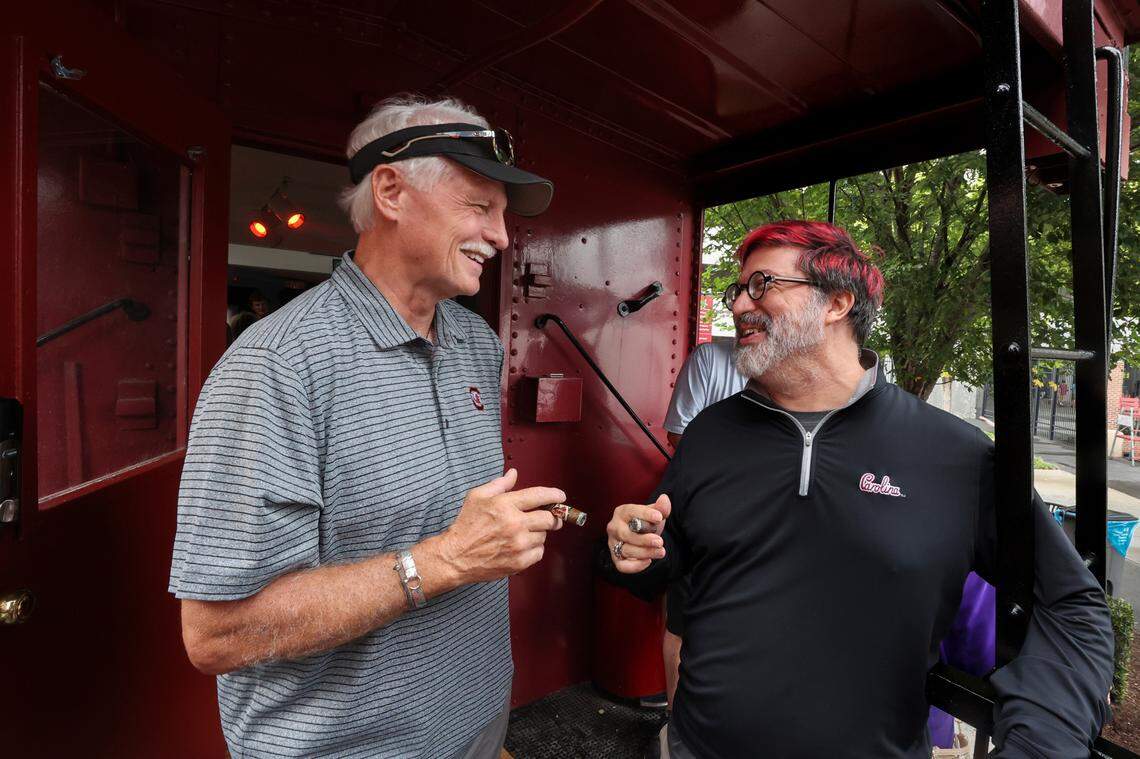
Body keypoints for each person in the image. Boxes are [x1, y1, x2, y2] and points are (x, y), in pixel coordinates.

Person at [605, 220, 1113, 758]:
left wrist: (1044, 742)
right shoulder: (709, 434)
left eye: (762, 285)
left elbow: (1073, 605)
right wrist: (632, 547)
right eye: (737, 289)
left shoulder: (953, 454)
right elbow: (669, 560)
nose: (737, 306)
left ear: (837, 302)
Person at [169, 95, 564, 758]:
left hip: (479, 738)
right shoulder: (276, 363)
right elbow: (216, 634)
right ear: (391, 191)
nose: (501, 236)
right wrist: (445, 559)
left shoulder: (475, 341)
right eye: (480, 205)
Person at [661, 341, 746, 711]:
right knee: (683, 622)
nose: (744, 307)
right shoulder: (711, 359)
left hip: (771, 518)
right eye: (739, 293)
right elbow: (678, 433)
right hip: (709, 506)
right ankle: (678, 726)